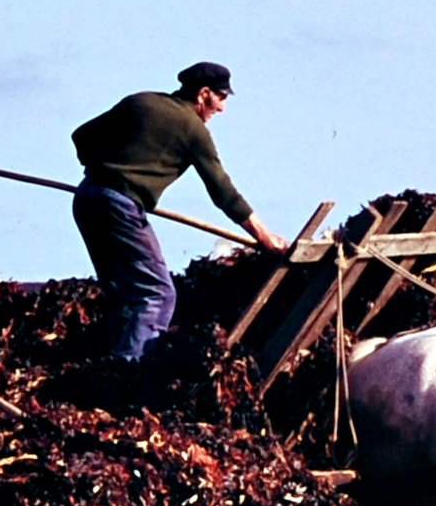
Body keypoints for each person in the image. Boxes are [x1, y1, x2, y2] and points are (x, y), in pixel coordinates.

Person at [68, 61, 285, 360]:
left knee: (124, 297)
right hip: (121, 205)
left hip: (88, 196)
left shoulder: (140, 101)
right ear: (203, 94)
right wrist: (265, 237)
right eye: (221, 98)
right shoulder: (192, 128)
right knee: (158, 294)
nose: (221, 109)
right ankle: (127, 376)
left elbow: (82, 137)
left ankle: (112, 370)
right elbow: (222, 191)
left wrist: (107, 168)